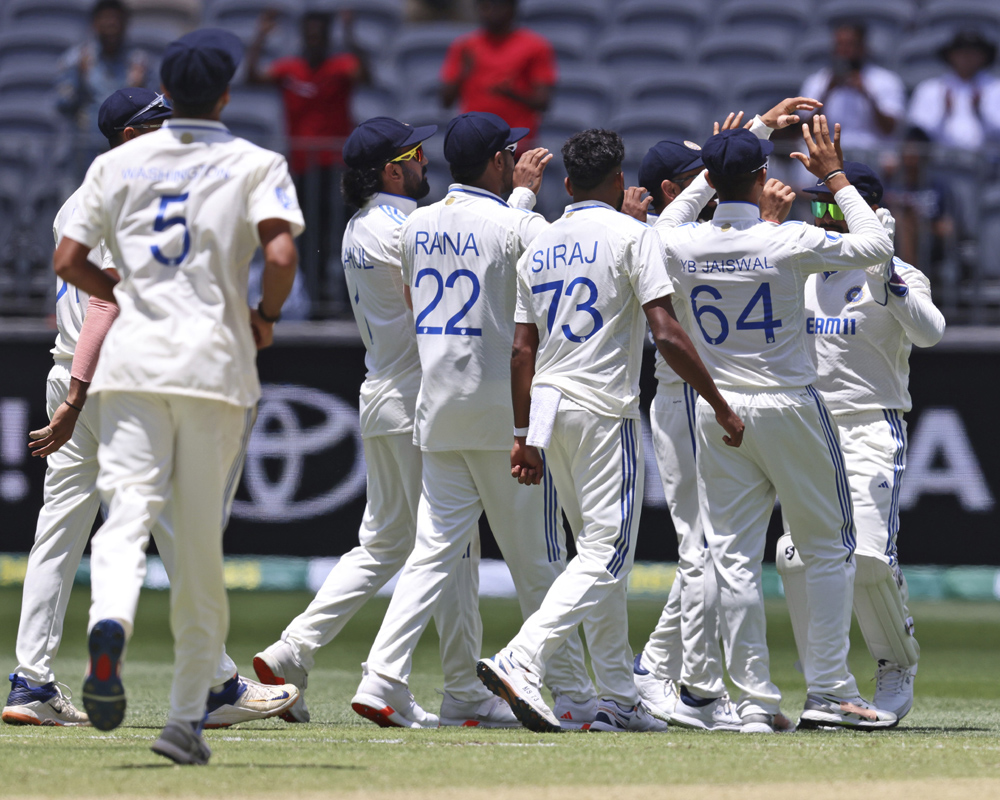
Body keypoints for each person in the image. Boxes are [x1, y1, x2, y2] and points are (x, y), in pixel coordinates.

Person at [3, 88, 297, 733]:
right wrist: (79, 399)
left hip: (72, 374)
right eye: (158, 125)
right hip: (106, 384)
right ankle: (217, 685)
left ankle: (30, 681)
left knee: (58, 533)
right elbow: (105, 307)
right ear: (129, 136)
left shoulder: (81, 198)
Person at [477, 128, 743, 734]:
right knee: (607, 551)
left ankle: (614, 698)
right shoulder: (633, 235)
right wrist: (721, 404)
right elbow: (668, 334)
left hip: (548, 405)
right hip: (603, 408)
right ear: (621, 180)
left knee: (595, 554)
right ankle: (522, 655)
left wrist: (524, 433)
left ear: (567, 184)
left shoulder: (539, 244)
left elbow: (522, 350)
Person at [353, 111, 598, 731]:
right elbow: (547, 299)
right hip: (502, 416)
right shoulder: (521, 222)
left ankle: (381, 678)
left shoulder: (415, 225)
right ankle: (567, 691)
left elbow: (417, 298)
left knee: (432, 553)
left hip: (436, 409)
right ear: (498, 162)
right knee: (538, 558)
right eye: (511, 153)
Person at [657, 117, 898, 732]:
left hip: (721, 410)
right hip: (790, 403)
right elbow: (875, 246)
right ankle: (829, 691)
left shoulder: (682, 244)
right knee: (828, 547)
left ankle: (757, 705)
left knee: (732, 557)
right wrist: (835, 176)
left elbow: (665, 225)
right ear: (763, 177)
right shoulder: (785, 239)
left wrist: (711, 174)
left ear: (711, 180)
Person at [253, 117, 493, 728]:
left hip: (381, 390)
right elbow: (434, 314)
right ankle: (437, 684)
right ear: (392, 170)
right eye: (415, 155)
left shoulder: (360, 228)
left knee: (392, 542)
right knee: (447, 540)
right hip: (420, 398)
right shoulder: (409, 229)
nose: (424, 163)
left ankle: (294, 651)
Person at [631, 99, 816, 732]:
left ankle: (667, 670)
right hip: (692, 394)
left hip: (704, 396)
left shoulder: (679, 234)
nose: (706, 188)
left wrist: (739, 151)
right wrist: (749, 191)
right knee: (704, 549)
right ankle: (697, 688)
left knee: (713, 550)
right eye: (695, 179)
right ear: (669, 189)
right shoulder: (667, 240)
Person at [776, 160, 945, 722]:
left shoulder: (898, 273)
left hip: (871, 423)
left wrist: (884, 274)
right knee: (796, 556)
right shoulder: (801, 273)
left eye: (830, 206)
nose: (820, 218)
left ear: (864, 213)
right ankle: (826, 685)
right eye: (816, 206)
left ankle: (896, 663)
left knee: (869, 557)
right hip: (809, 426)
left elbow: (930, 331)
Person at [246, 10, 371, 304]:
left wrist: (351, 36)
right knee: (309, 236)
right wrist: (260, 39)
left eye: (320, 35)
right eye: (310, 35)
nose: (314, 40)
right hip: (302, 168)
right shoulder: (289, 69)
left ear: (328, 38)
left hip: (336, 169)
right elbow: (252, 78)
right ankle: (313, 299)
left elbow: (365, 76)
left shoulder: (341, 66)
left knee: (340, 235)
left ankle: (342, 300)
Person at [440, 0, 556, 152]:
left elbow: (544, 103)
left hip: (517, 144)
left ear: (513, 9)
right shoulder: (464, 46)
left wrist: (512, 93)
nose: (490, 12)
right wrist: (463, 72)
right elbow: (445, 101)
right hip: (474, 143)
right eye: (484, 6)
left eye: (498, 6)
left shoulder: (536, 46)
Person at [56, 1, 150, 158]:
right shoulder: (78, 59)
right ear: (95, 23)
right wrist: (79, 80)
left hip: (124, 149)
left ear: (125, 24)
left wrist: (138, 88)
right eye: (105, 19)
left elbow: (155, 110)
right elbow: (61, 105)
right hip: (84, 150)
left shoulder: (138, 63)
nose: (111, 24)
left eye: (116, 19)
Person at [800, 24, 905, 151]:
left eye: (850, 45)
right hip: (828, 154)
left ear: (862, 48)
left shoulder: (886, 80)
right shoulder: (817, 82)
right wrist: (827, 92)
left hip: (872, 154)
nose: (843, 51)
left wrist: (867, 94)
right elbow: (807, 130)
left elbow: (890, 129)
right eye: (839, 45)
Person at [908, 30, 1000, 151]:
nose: (967, 57)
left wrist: (981, 113)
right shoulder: (930, 88)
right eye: (961, 52)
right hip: (938, 162)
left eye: (974, 52)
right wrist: (943, 114)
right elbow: (918, 135)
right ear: (950, 55)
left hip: (989, 163)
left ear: (984, 56)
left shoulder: (996, 88)